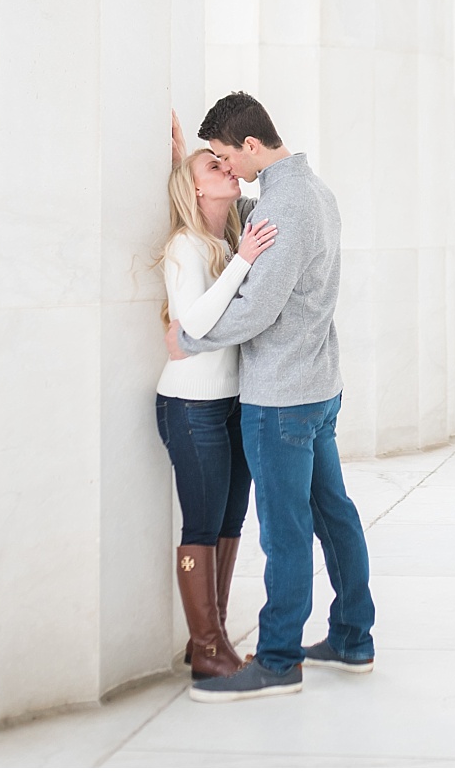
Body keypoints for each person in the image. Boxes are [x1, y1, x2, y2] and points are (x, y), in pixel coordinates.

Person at [166, 91, 375, 703]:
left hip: (281, 397)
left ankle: (279, 659)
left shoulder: (286, 207)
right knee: (334, 516)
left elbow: (257, 309)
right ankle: (351, 638)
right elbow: (228, 203)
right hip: (317, 386)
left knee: (285, 533)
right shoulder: (309, 191)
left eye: (229, 157)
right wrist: (185, 166)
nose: (228, 170)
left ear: (251, 146)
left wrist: (190, 339)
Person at [156, 121, 278, 685]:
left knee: (231, 519)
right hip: (191, 407)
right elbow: (197, 322)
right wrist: (244, 262)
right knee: (202, 524)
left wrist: (187, 157)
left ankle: (215, 638)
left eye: (225, 161)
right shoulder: (187, 246)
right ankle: (206, 647)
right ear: (196, 189)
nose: (226, 168)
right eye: (214, 166)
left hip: (230, 402)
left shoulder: (227, 236)